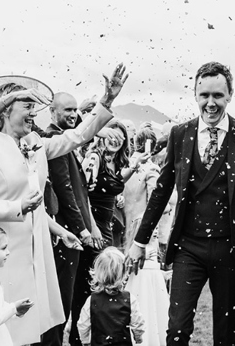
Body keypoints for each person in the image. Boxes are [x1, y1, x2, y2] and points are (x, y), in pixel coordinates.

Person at [0, 64, 128, 346]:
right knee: (5, 329)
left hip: (38, 252)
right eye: (27, 106)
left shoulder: (36, 144)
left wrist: (106, 101)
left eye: (34, 108)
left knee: (36, 327)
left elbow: (76, 137)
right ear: (4, 110)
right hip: (2, 255)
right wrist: (17, 207)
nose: (33, 113)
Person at [127, 61, 235, 346]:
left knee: (226, 332)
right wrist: (140, 242)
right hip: (189, 246)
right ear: (195, 95)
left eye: (217, 95)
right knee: (176, 329)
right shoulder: (181, 133)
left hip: (230, 248)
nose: (211, 103)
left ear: (230, 95)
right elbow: (162, 191)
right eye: (205, 96)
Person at [42, 92, 118, 346]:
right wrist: (83, 230)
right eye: (67, 110)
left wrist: (91, 226)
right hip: (64, 233)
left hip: (74, 231)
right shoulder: (53, 138)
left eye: (75, 110)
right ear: (52, 112)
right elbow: (65, 191)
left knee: (75, 296)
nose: (73, 115)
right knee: (61, 301)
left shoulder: (64, 139)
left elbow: (80, 192)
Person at [70, 120, 149, 346]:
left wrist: (134, 166)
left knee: (105, 292)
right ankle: (80, 340)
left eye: (120, 136)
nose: (115, 140)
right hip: (92, 230)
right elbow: (82, 193)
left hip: (106, 230)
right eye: (110, 135)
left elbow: (114, 182)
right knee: (86, 294)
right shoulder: (93, 158)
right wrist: (91, 227)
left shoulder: (115, 163)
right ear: (101, 135)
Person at [77, 246, 145, 346]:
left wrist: (85, 341)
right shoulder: (129, 299)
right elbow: (137, 323)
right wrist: (138, 337)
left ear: (98, 273)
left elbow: (83, 324)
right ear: (123, 273)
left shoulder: (92, 300)